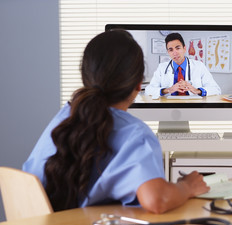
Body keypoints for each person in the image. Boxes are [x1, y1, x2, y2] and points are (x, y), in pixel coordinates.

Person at [22, 30, 209, 213]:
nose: (174, 52)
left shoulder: (63, 118)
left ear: (85, 77)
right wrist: (187, 187)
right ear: (138, 84)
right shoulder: (135, 134)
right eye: (171, 49)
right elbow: (157, 200)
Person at [144, 32, 221, 98]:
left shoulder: (199, 66)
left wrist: (197, 90)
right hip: (169, 107)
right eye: (171, 50)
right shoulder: (162, 67)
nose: (175, 53)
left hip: (193, 106)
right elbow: (148, 90)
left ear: (184, 49)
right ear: (168, 52)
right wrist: (168, 90)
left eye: (178, 48)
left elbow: (216, 89)